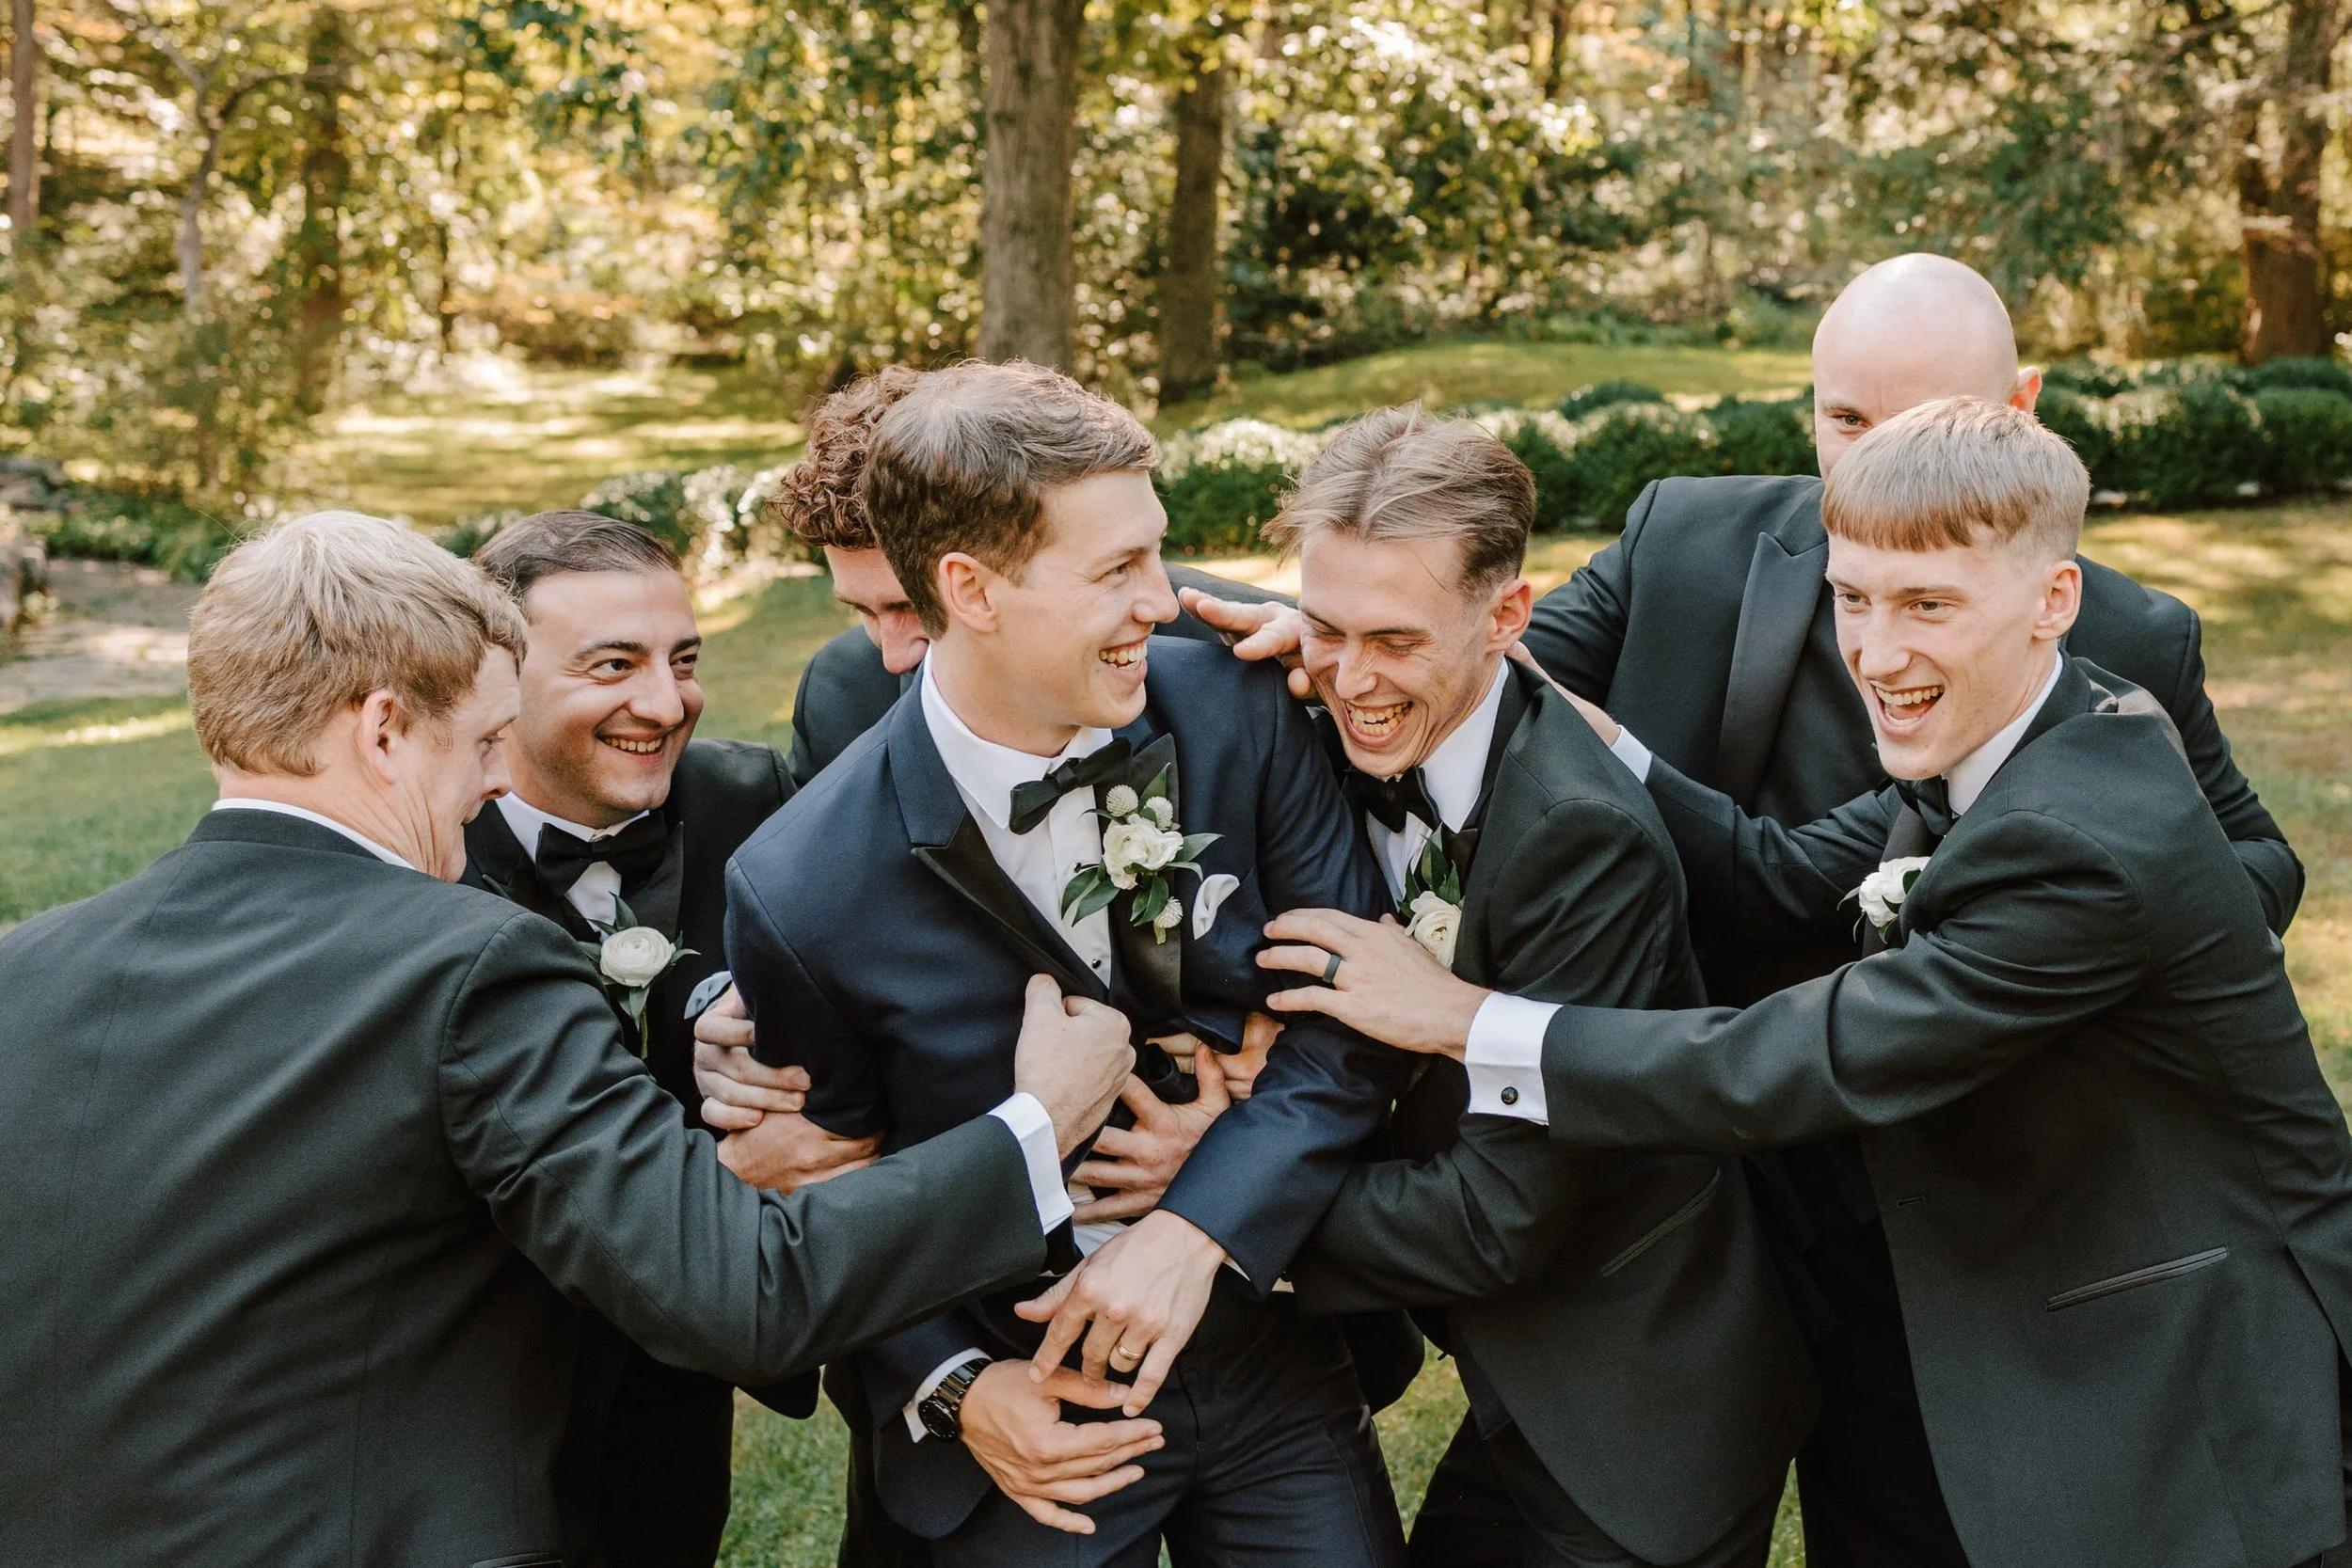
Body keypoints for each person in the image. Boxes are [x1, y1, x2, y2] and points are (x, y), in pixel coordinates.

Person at [1185, 251, 2303, 1563]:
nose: (1879, 640)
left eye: (1930, 600)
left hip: (1962, 1179)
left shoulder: (2108, 685)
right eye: (1845, 423)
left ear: (2024, 409)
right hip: (1703, 1158)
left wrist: (2104, 944)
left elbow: (2235, 863)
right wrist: (1292, 630)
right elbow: (1465, 635)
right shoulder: (1694, 535)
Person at [0, 510, 1138, 1568]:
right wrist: (1032, 1124)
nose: (499, 777)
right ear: (386, 729)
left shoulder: (22, 970)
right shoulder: (464, 961)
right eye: (485, 739)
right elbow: (742, 1291)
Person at [724, 362, 1417, 1566]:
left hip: (1262, 1331)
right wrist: (953, 1384)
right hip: (1022, 1388)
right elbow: (823, 1190)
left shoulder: (1237, 710)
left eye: (1156, 552)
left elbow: (1351, 1015)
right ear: (970, 589)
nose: (1165, 598)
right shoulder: (797, 887)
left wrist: (1193, 1227)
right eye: (1117, 571)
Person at [1256, 406, 1815, 1568]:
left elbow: (1494, 1219)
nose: (1350, 678)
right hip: (1523, 1364)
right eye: (1323, 626)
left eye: (1394, 641)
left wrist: (1218, 1191)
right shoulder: (1353, 698)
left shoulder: (1580, 838)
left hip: (1637, 1401)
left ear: (1510, 615)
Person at [463, 509, 872, 1567]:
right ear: (493, 679)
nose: (665, 701)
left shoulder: (760, 803)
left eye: (682, 660)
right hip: (481, 1371)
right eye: (613, 664)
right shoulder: (421, 853)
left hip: (679, 1379)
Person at [777, 364, 1296, 789]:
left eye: (910, 604)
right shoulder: (839, 697)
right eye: (864, 611)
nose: (894, 656)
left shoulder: (1231, 645)